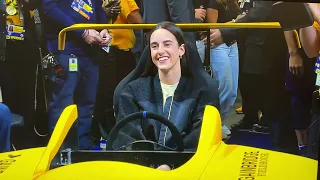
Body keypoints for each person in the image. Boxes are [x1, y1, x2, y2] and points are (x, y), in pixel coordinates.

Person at [112, 21, 219, 151]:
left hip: (187, 167)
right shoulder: (133, 91)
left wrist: (169, 164)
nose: (160, 51)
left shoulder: (202, 91)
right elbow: (127, 140)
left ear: (181, 50)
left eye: (167, 44)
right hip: (143, 167)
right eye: (154, 46)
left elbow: (199, 141)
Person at [42, 0, 112, 149]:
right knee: (63, 102)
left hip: (91, 52)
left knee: (88, 102)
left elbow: (97, 7)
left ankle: (82, 148)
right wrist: (82, 32)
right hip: (64, 48)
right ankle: (60, 150)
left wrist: (104, 28)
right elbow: (49, 7)